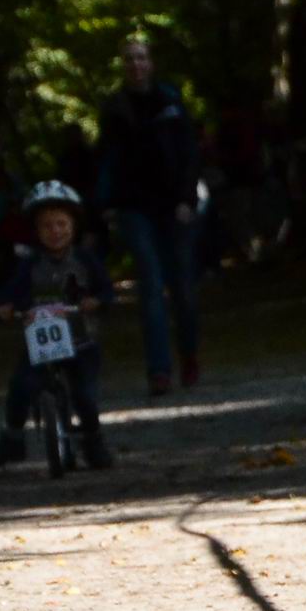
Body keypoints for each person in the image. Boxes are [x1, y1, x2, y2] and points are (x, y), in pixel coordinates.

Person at [0, 181, 115, 470]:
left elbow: (106, 290)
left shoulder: (85, 260)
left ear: (74, 226)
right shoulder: (29, 264)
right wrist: (6, 306)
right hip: (40, 345)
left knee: (85, 395)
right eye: (47, 226)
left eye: (61, 224)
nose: (55, 231)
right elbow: (12, 291)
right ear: (36, 231)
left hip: (81, 341)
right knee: (21, 386)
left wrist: (97, 301)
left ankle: (93, 440)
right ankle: (12, 438)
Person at [96, 37, 201, 396]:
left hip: (174, 206)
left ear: (151, 63)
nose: (136, 64)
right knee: (151, 286)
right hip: (134, 208)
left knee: (183, 287)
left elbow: (190, 153)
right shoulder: (114, 108)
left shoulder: (171, 101)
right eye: (129, 59)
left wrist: (187, 199)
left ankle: (189, 353)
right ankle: (159, 370)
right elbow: (107, 159)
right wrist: (106, 204)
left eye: (141, 58)